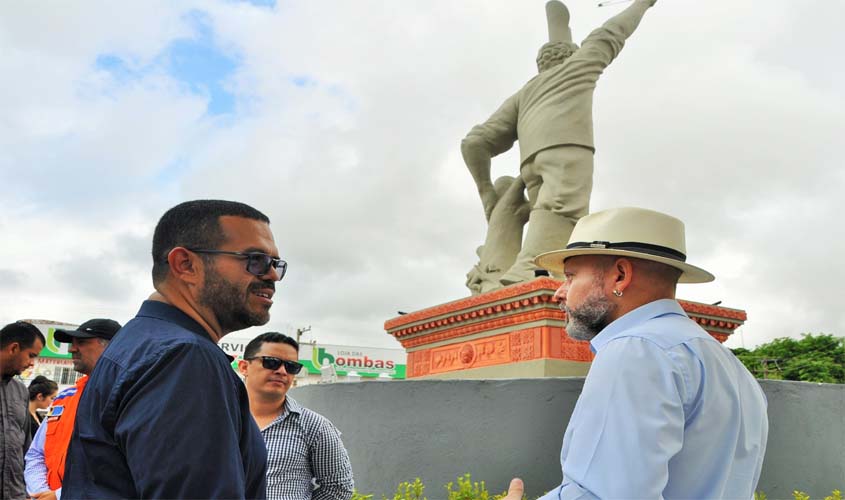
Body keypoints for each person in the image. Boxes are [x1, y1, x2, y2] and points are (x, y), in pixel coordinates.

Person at [500, 207, 769, 499]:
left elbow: (605, 494)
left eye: (570, 276)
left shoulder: (635, 350)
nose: (559, 293)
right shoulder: (727, 363)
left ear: (620, 276)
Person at [62, 200, 287, 499]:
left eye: (276, 264)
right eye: (256, 259)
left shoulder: (144, 342)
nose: (271, 275)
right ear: (185, 265)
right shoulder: (182, 356)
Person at [462, 0, 657, 288]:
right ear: (571, 56)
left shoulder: (525, 93)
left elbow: (475, 142)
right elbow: (612, 32)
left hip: (530, 164)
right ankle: (528, 273)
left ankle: (519, 270)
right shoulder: (578, 67)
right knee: (561, 211)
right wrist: (642, 4)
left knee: (550, 213)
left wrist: (487, 192)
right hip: (567, 152)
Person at [239, 332, 354, 500]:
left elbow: (338, 488)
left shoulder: (315, 426)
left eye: (291, 366)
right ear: (244, 367)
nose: (282, 371)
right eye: (271, 362)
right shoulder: (216, 418)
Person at [24, 318, 121, 500]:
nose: (71, 349)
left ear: (112, 347)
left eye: (82, 342)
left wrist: (61, 495)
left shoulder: (126, 398)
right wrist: (42, 492)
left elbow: (121, 470)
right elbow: (36, 454)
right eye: (72, 343)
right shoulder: (63, 398)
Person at [1, 321, 45, 500]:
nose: (31, 364)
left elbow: (25, 447)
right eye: (31, 355)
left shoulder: (20, 391)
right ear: (14, 348)